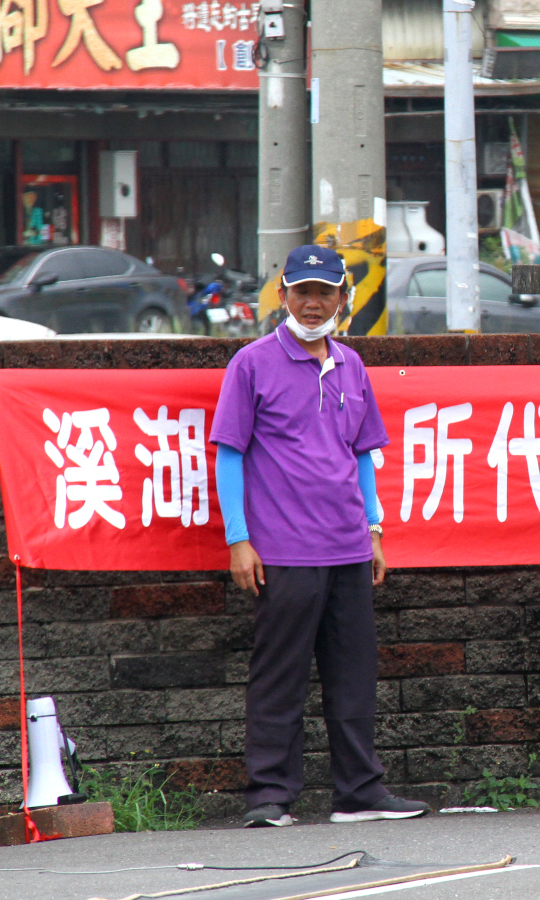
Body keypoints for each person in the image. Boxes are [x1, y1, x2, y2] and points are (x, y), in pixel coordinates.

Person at [213, 245, 429, 828]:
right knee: (279, 676)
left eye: (324, 293)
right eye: (302, 292)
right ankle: (269, 796)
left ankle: (360, 792)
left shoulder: (352, 365)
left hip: (349, 547)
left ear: (343, 300)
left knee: (353, 675)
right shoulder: (252, 364)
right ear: (282, 295)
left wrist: (375, 529)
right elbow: (229, 454)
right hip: (282, 551)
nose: (313, 304)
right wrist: (239, 539)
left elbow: (363, 455)